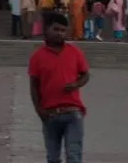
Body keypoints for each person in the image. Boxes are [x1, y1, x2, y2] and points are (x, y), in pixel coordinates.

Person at [29, 12, 90, 163]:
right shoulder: (37, 56)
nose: (59, 34)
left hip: (73, 113)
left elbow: (86, 75)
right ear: (47, 30)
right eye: (56, 29)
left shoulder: (75, 52)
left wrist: (76, 84)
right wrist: (39, 110)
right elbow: (34, 86)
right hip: (50, 115)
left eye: (63, 30)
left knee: (73, 155)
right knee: (53, 157)